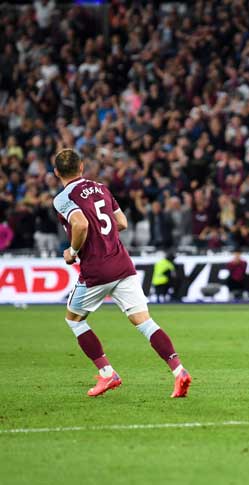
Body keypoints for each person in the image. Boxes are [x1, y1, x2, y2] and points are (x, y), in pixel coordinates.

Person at [52, 149, 191, 398]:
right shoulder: (101, 188)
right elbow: (122, 223)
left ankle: (107, 374)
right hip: (122, 264)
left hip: (96, 270)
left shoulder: (63, 198)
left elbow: (80, 224)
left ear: (56, 173)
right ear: (82, 167)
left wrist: (72, 250)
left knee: (74, 320)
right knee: (145, 322)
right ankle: (179, 371)